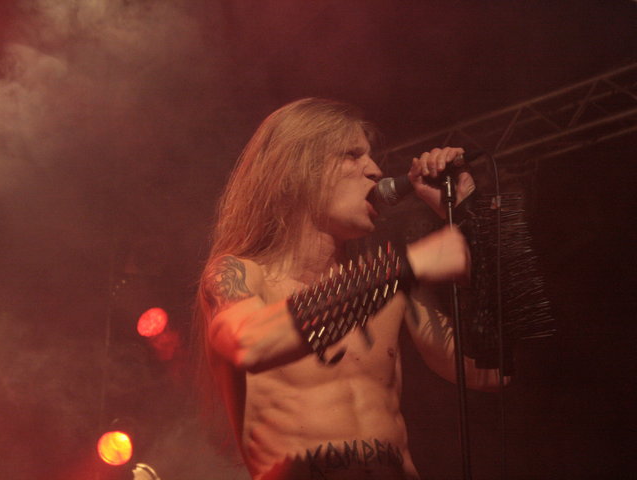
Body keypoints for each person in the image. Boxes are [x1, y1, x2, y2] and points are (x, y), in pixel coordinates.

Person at [196, 98, 503, 480]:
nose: (375, 170)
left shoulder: (390, 282)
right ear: (298, 171)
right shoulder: (239, 273)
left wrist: (469, 216)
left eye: (369, 157)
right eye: (352, 155)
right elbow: (249, 343)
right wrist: (405, 267)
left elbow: (490, 374)